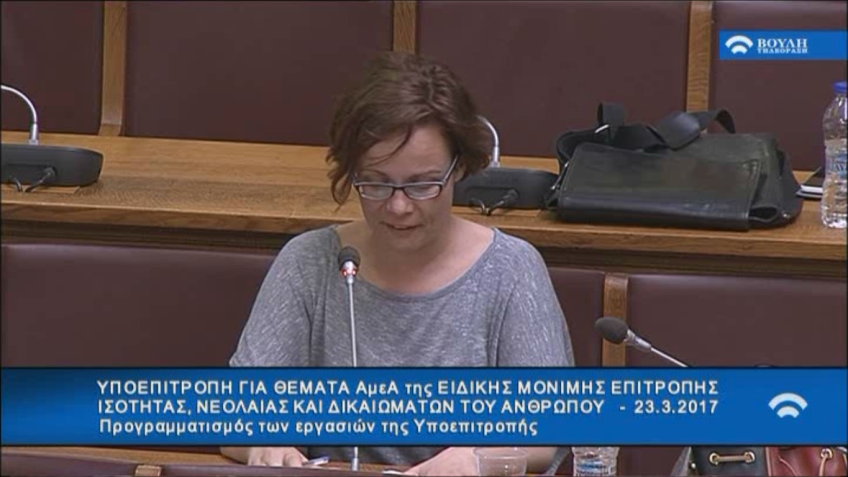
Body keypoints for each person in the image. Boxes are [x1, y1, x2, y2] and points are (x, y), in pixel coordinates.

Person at [221, 51, 574, 476]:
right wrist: (263, 443)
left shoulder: (511, 270)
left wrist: (477, 457)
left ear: (459, 169)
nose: (399, 206)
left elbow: (546, 432)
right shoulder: (309, 262)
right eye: (376, 184)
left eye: (422, 184)